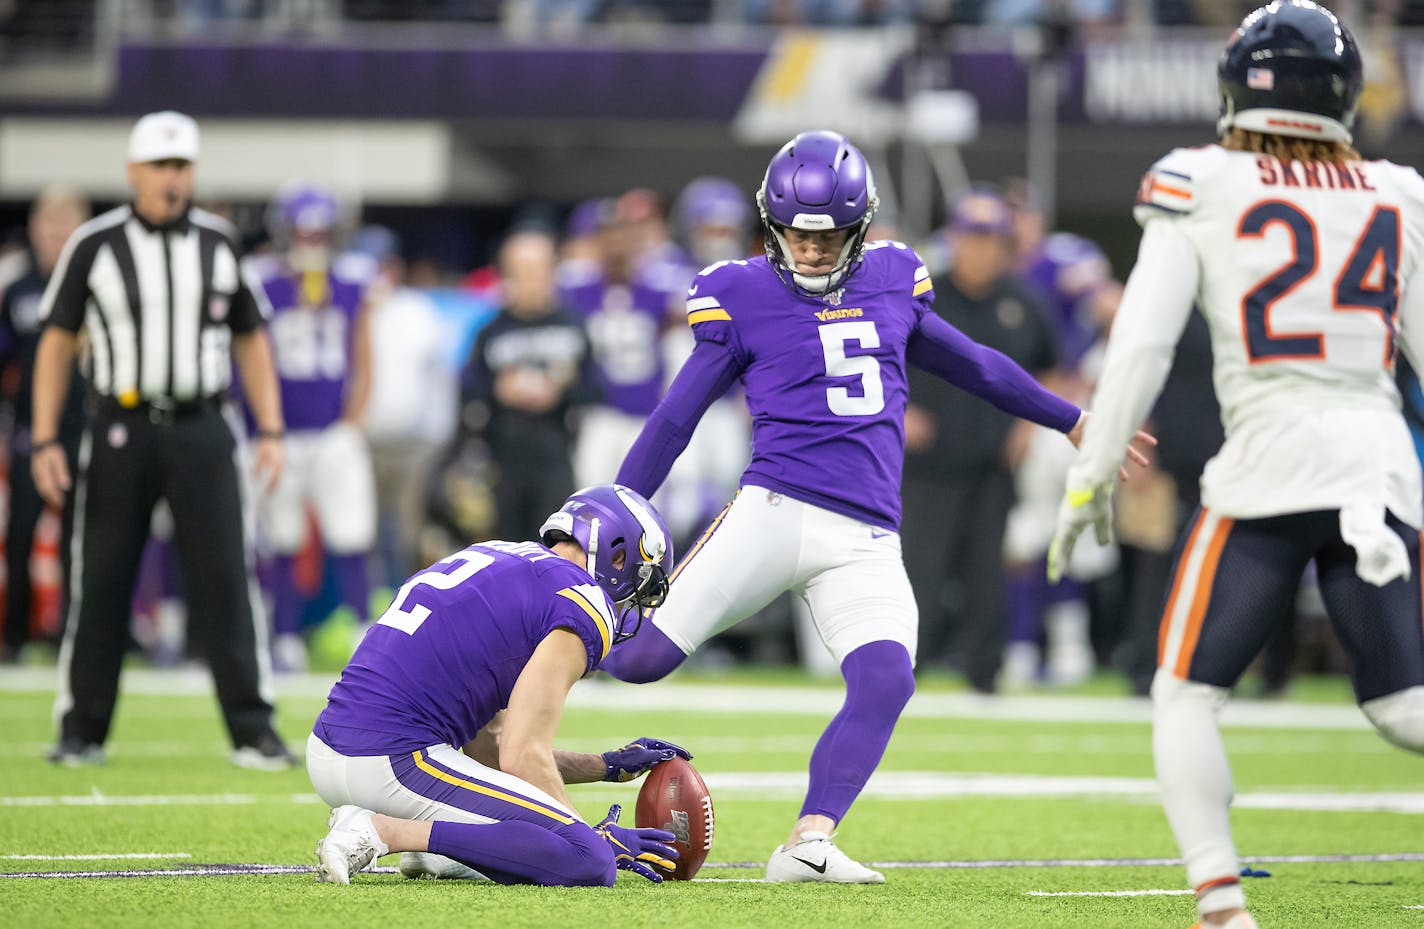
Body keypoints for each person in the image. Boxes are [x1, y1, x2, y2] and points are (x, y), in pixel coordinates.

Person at [599, 130, 1148, 882]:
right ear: (772, 223)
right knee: (637, 659)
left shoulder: (894, 278)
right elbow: (675, 417)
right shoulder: (742, 292)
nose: (814, 249)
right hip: (773, 510)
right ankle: (489, 699)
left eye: (830, 235)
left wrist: (1074, 419)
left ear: (862, 227)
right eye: (797, 232)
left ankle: (808, 840)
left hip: (864, 534)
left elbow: (978, 366)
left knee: (888, 678)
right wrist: (620, 505)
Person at [1048, 4, 1424, 927]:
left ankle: (1219, 900)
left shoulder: (1200, 180)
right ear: (1342, 93)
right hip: (1375, 467)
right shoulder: (1398, 190)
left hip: (1264, 465)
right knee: (1403, 708)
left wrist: (1092, 473)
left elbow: (1139, 346)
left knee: (1184, 690)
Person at [33, 110, 293, 769]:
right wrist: (44, 437)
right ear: (133, 171)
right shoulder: (94, 243)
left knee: (226, 575)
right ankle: (82, 728)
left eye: (181, 166)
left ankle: (253, 728)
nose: (171, 179)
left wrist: (269, 426)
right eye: (159, 166)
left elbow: (251, 335)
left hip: (204, 425)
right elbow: (56, 339)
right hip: (120, 424)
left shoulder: (220, 241)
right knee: (103, 575)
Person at [306, 483, 685, 887]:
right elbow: (522, 756)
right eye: (639, 580)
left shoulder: (498, 556)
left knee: (541, 847)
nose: (631, 603)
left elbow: (492, 750)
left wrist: (605, 766)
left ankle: (434, 849)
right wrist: (592, 836)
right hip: (394, 761)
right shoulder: (582, 599)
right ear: (619, 554)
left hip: (333, 750)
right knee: (588, 858)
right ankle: (387, 830)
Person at [900, 188, 1062, 691]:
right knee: (918, 573)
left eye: (993, 239)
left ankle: (984, 673)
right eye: (974, 238)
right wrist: (898, 410)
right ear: (954, 239)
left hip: (993, 463)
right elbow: (873, 361)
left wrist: (1029, 423)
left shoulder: (1024, 302)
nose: (983, 250)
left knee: (986, 575)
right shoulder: (922, 297)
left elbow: (1052, 369)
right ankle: (905, 671)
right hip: (926, 465)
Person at [251, 183, 376, 670]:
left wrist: (353, 424)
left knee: (351, 533)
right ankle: (282, 636)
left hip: (330, 431)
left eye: (320, 232)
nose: (312, 241)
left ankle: (365, 633)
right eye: (303, 231)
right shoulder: (262, 281)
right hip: (279, 431)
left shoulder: (352, 283)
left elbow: (364, 360)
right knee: (280, 536)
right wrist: (265, 425)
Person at [0, 185, 90, 663]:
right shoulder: (17, 289)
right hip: (30, 432)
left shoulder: (95, 285)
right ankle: (14, 637)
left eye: (65, 226)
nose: (56, 236)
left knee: (77, 541)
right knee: (20, 536)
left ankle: (67, 636)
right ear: (34, 230)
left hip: (83, 429)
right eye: (49, 226)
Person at [462, 228, 597, 542]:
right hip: (504, 455)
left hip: (557, 450)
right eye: (520, 272)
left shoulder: (573, 325)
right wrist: (498, 390)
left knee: (555, 542)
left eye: (537, 271)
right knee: (506, 544)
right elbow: (468, 387)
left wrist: (560, 392)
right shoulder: (491, 330)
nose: (529, 281)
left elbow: (596, 386)